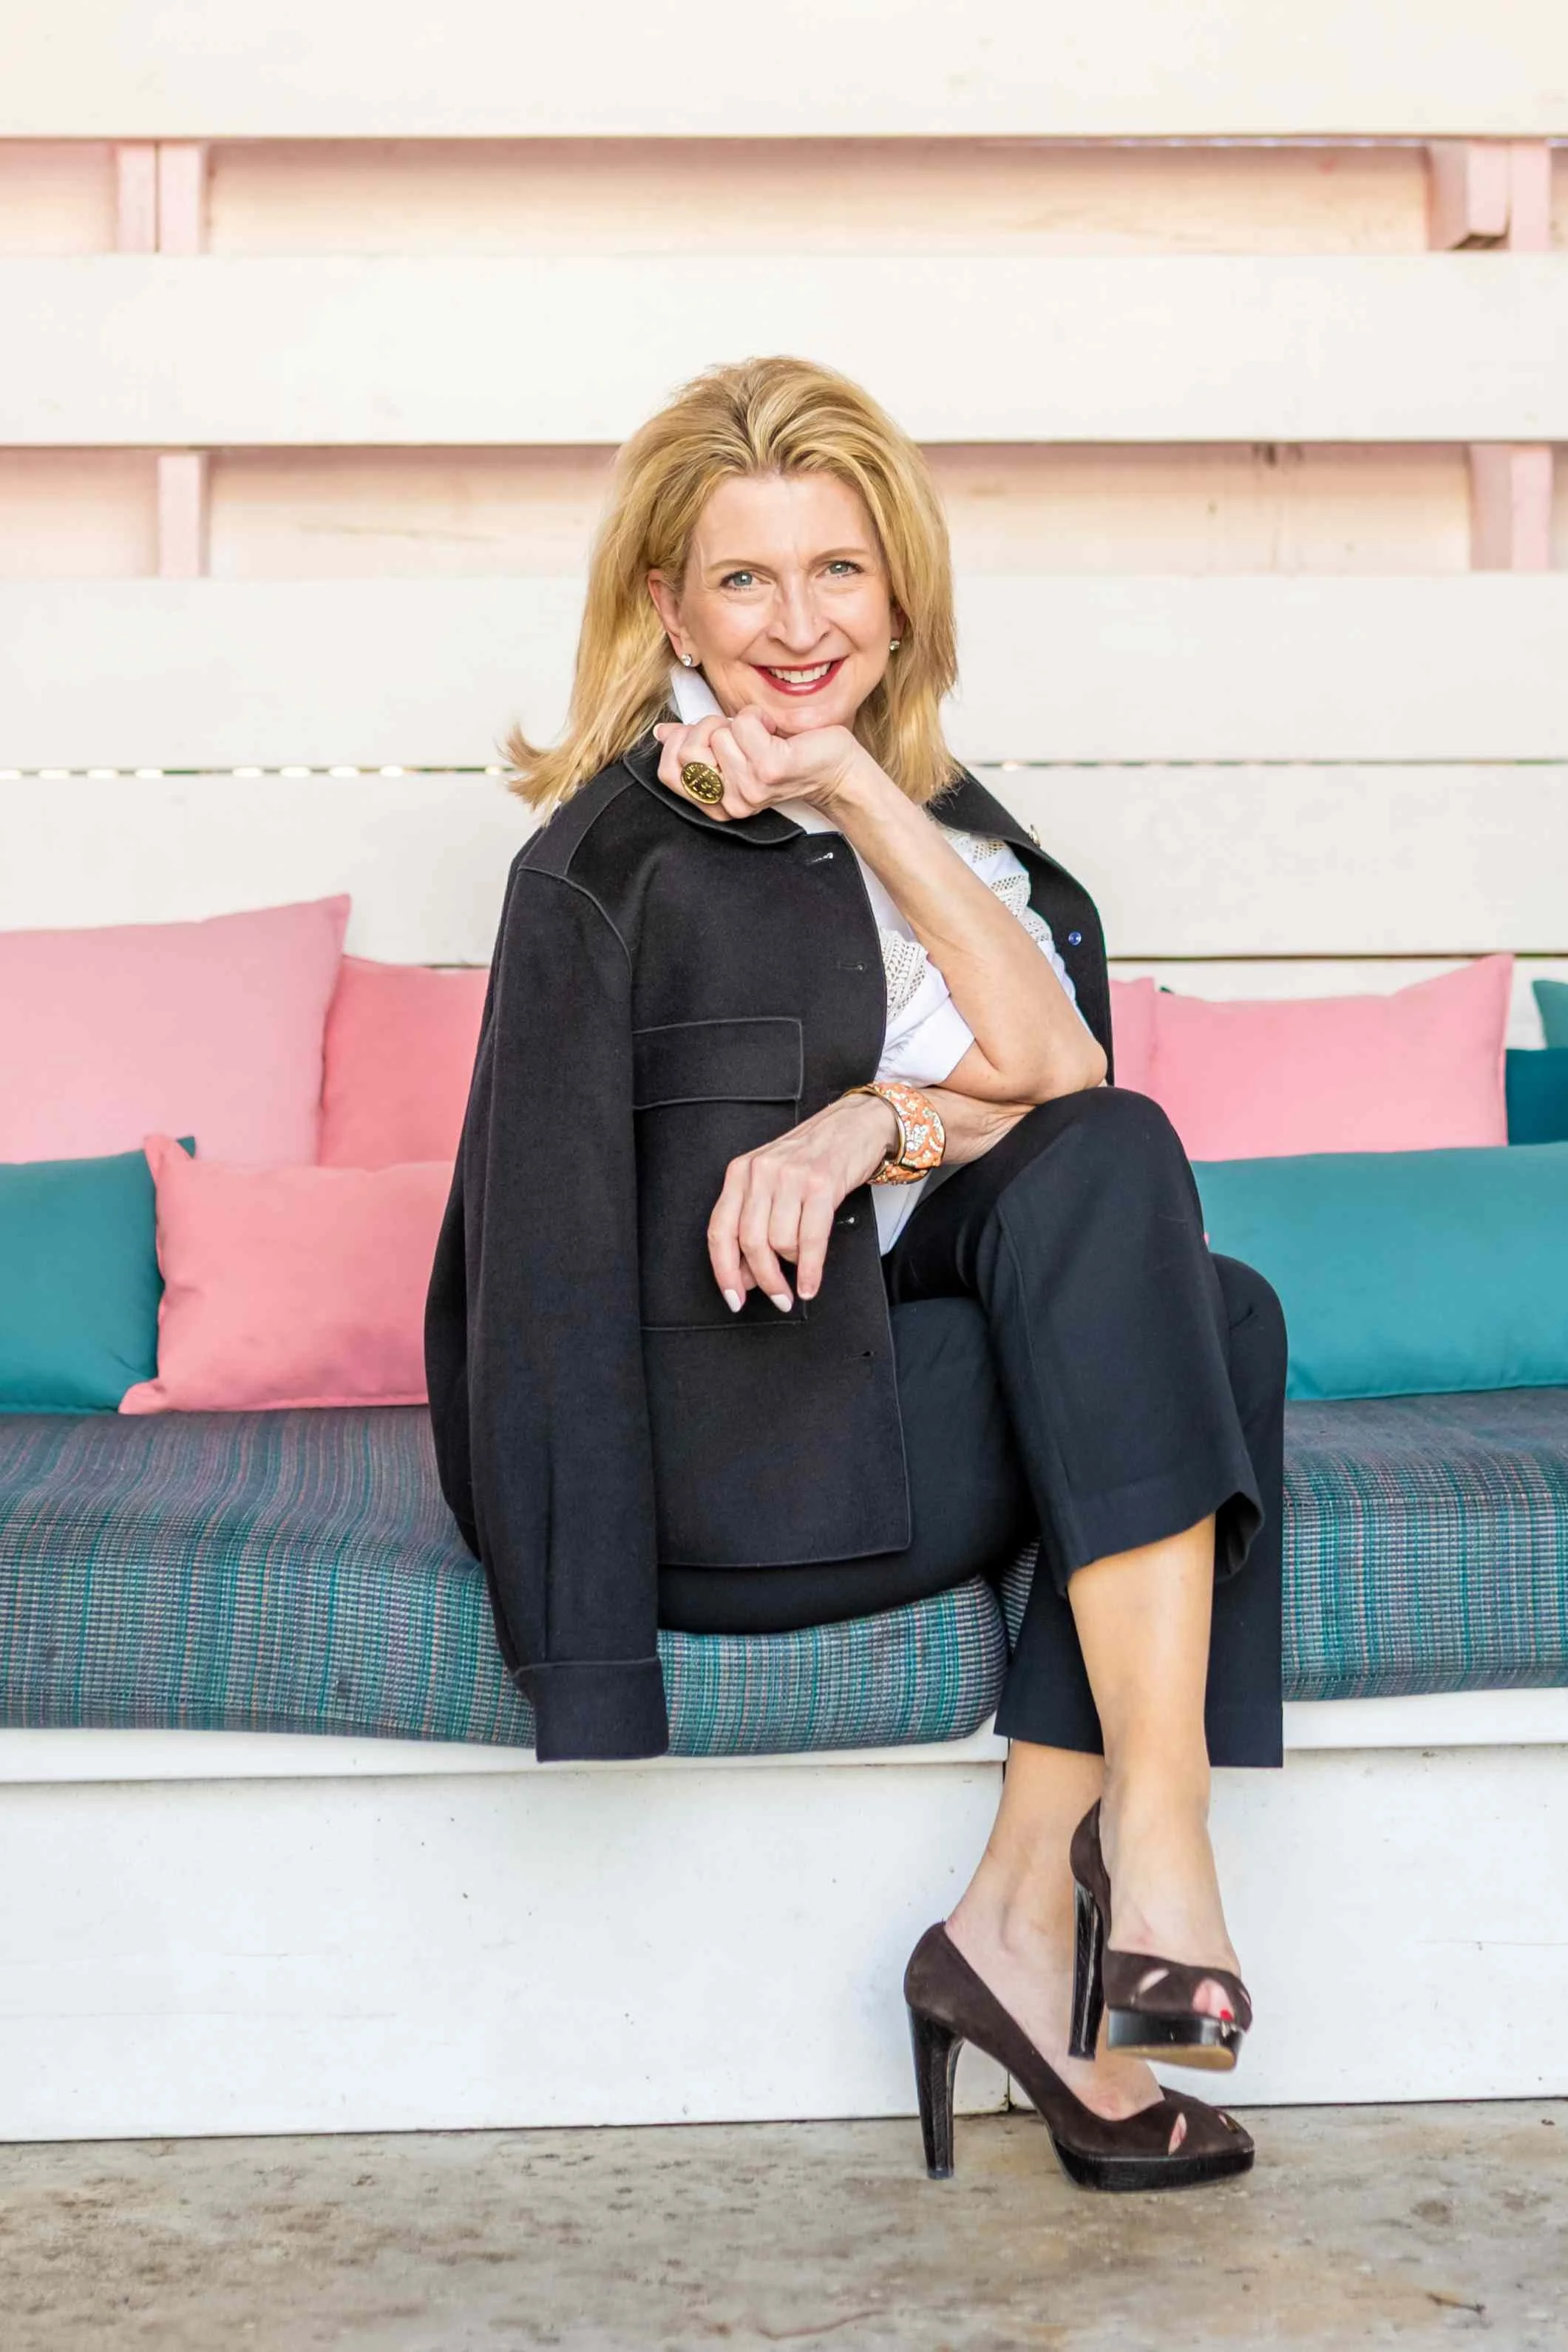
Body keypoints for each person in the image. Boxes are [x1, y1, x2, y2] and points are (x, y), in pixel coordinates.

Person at [425, 354, 1285, 2194]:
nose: (798, 623)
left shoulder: (972, 850)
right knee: (1213, 1327)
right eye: (744, 579)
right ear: (667, 605)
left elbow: (1068, 1100)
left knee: (1192, 1275)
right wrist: (586, 1660)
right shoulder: (602, 868)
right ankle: (1120, 1868)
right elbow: (538, 1264)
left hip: (919, 1410)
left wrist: (859, 1099)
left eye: (841, 571)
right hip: (739, 1469)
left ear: (903, 594)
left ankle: (1039, 1895)